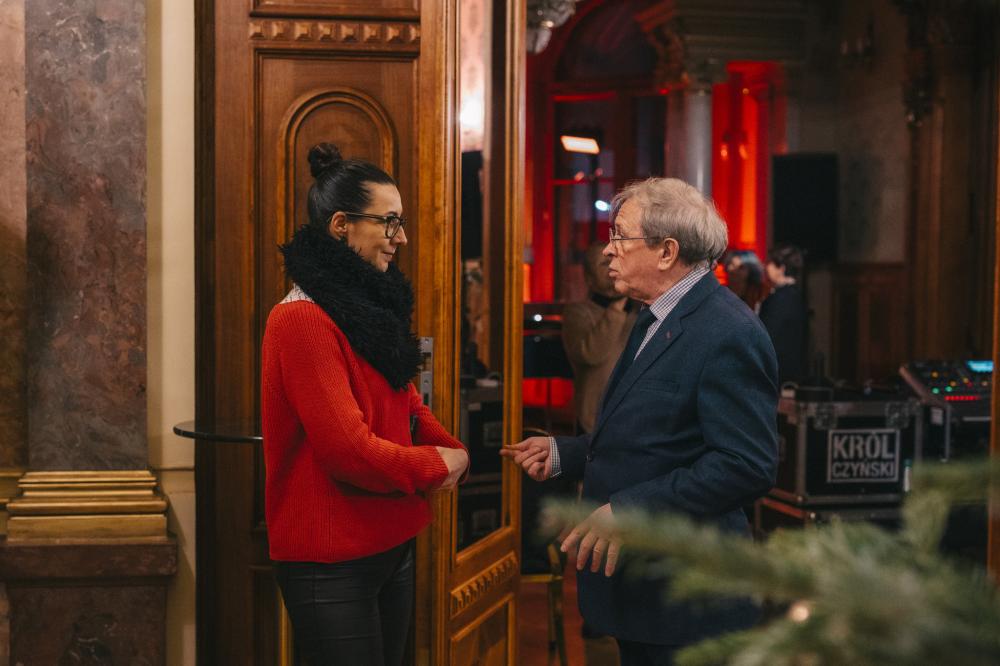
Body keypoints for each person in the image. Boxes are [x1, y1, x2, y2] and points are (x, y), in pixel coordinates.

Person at [502, 177, 779, 666]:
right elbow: (657, 432)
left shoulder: (729, 331)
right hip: (646, 595)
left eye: (620, 236)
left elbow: (746, 464)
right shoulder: (656, 314)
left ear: (667, 252)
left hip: (687, 598)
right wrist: (569, 453)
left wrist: (632, 509)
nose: (608, 250)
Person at [261, 143, 469, 665]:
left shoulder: (367, 308)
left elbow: (406, 405)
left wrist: (454, 450)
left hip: (391, 540)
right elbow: (348, 451)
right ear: (341, 225)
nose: (402, 237)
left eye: (401, 222)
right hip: (331, 558)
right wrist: (435, 465)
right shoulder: (301, 319)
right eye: (389, 222)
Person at [562, 242, 638, 434]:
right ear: (589, 278)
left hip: (635, 416)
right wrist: (617, 309)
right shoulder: (578, 313)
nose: (612, 265)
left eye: (615, 259)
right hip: (595, 418)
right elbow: (591, 354)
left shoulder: (639, 309)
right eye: (603, 263)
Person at [759, 244, 807, 384]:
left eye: (770, 263)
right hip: (788, 371)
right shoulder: (795, 295)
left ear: (781, 268)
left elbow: (768, 337)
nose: (766, 267)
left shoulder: (781, 299)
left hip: (777, 374)